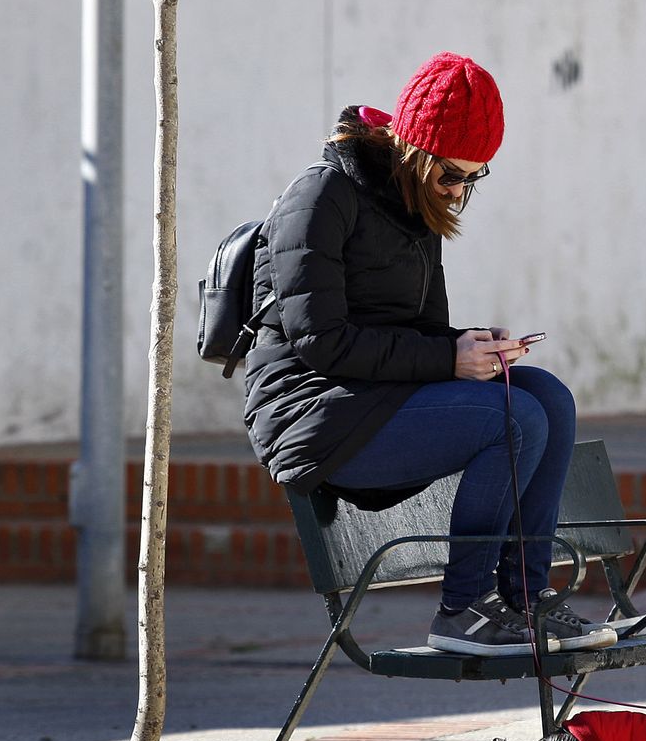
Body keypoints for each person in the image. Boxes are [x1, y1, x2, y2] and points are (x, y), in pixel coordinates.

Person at [243, 52, 616, 658]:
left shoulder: (413, 209)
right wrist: (447, 359)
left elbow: (414, 333)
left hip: (377, 400)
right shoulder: (319, 196)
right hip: (314, 417)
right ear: (412, 148)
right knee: (513, 418)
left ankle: (526, 599)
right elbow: (321, 341)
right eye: (450, 174)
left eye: (474, 177)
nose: (459, 189)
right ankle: (463, 611)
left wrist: (470, 348)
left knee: (546, 394)